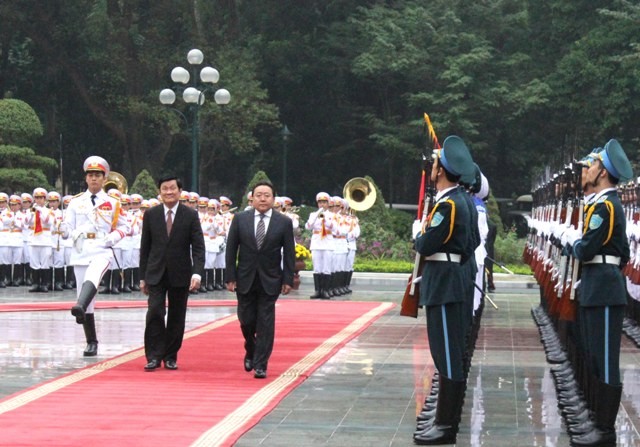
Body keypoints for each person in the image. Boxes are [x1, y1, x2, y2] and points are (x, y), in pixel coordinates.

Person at [561, 139, 632, 446]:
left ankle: (604, 431)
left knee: (604, 359)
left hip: (603, 288)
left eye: (591, 165)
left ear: (602, 172)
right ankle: (596, 421)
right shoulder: (601, 205)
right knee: (593, 355)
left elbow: (588, 248)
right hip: (598, 284)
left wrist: (574, 243)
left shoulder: (606, 206)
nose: (586, 170)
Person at [412, 135, 476, 445]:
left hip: (445, 282)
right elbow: (472, 242)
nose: (430, 168)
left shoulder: (448, 204)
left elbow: (425, 245)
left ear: (443, 170)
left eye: (434, 164)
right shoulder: (460, 199)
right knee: (448, 352)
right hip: (452, 277)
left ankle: (445, 426)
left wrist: (418, 233)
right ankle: (444, 420)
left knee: (446, 354)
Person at [60, 156, 130, 356]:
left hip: (102, 247)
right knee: (87, 299)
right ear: (86, 178)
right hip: (81, 248)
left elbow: (125, 227)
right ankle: (91, 341)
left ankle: (79, 305)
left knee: (94, 275)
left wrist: (112, 238)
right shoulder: (75, 203)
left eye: (98, 175)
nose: (94, 179)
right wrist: (66, 231)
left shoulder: (113, 202)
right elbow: (68, 226)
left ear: (104, 178)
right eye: (90, 175)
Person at [225, 181, 295, 379]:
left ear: (273, 199)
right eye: (259, 195)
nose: (263, 199)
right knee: (246, 319)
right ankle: (250, 346)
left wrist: (287, 279)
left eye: (267, 195)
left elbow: (289, 253)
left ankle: (261, 363)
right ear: (252, 198)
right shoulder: (240, 219)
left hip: (270, 279)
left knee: (265, 322)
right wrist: (230, 276)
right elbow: (231, 250)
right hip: (245, 278)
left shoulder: (283, 222)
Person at [139, 176, 204, 371]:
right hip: (155, 273)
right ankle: (153, 355)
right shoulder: (151, 214)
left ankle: (170, 356)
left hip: (180, 273)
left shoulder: (190, 215)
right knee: (155, 312)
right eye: (164, 189)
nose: (168, 192)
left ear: (180, 190)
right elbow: (145, 248)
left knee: (177, 316)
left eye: (172, 188)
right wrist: (142, 277)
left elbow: (198, 248)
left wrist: (197, 273)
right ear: (159, 192)